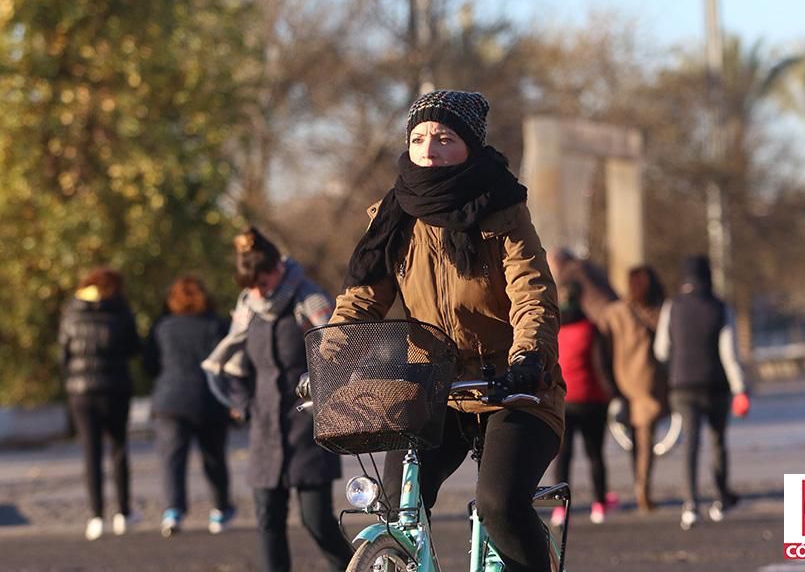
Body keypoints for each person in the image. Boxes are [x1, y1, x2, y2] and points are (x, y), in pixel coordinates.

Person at [330, 89, 565, 572]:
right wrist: (328, 359)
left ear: (470, 147)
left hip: (510, 386)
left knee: (500, 503)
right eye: (419, 138)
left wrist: (529, 357)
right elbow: (359, 299)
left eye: (444, 137)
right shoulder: (392, 216)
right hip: (431, 386)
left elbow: (532, 293)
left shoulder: (504, 209)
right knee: (397, 508)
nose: (429, 149)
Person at [202, 228, 353, 572]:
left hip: (310, 425)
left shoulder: (308, 299)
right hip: (266, 429)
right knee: (268, 520)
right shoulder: (248, 307)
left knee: (316, 521)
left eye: (262, 282)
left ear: (278, 269)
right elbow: (235, 364)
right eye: (250, 286)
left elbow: (340, 352)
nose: (258, 292)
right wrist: (243, 403)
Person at [653, 255, 751, 530]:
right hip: (716, 387)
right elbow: (729, 352)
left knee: (691, 444)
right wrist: (740, 388)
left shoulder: (672, 307)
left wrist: (676, 366)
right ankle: (721, 499)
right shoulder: (720, 308)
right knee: (718, 441)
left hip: (682, 386)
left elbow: (661, 349)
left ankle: (690, 505)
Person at [144, 276, 235, 537]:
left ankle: (173, 512)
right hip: (209, 399)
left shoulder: (162, 326)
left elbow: (149, 363)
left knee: (172, 459)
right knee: (214, 458)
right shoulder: (216, 324)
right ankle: (220, 509)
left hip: (170, 400)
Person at [58, 267, 141, 541]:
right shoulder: (120, 311)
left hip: (81, 393)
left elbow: (64, 355)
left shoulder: (71, 312)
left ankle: (96, 517)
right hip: (115, 389)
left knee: (90, 453)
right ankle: (124, 513)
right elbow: (134, 348)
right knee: (118, 449)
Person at [598, 265, 668, 514]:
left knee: (633, 441)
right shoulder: (658, 313)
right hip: (646, 382)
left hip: (620, 382)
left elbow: (601, 345)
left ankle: (636, 487)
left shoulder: (613, 312)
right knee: (644, 440)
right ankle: (642, 490)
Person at [548, 279, 615, 527]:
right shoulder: (591, 329)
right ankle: (599, 505)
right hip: (592, 400)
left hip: (564, 399)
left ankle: (560, 510)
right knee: (595, 454)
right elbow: (602, 365)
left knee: (563, 456)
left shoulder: (555, 330)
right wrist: (613, 393)